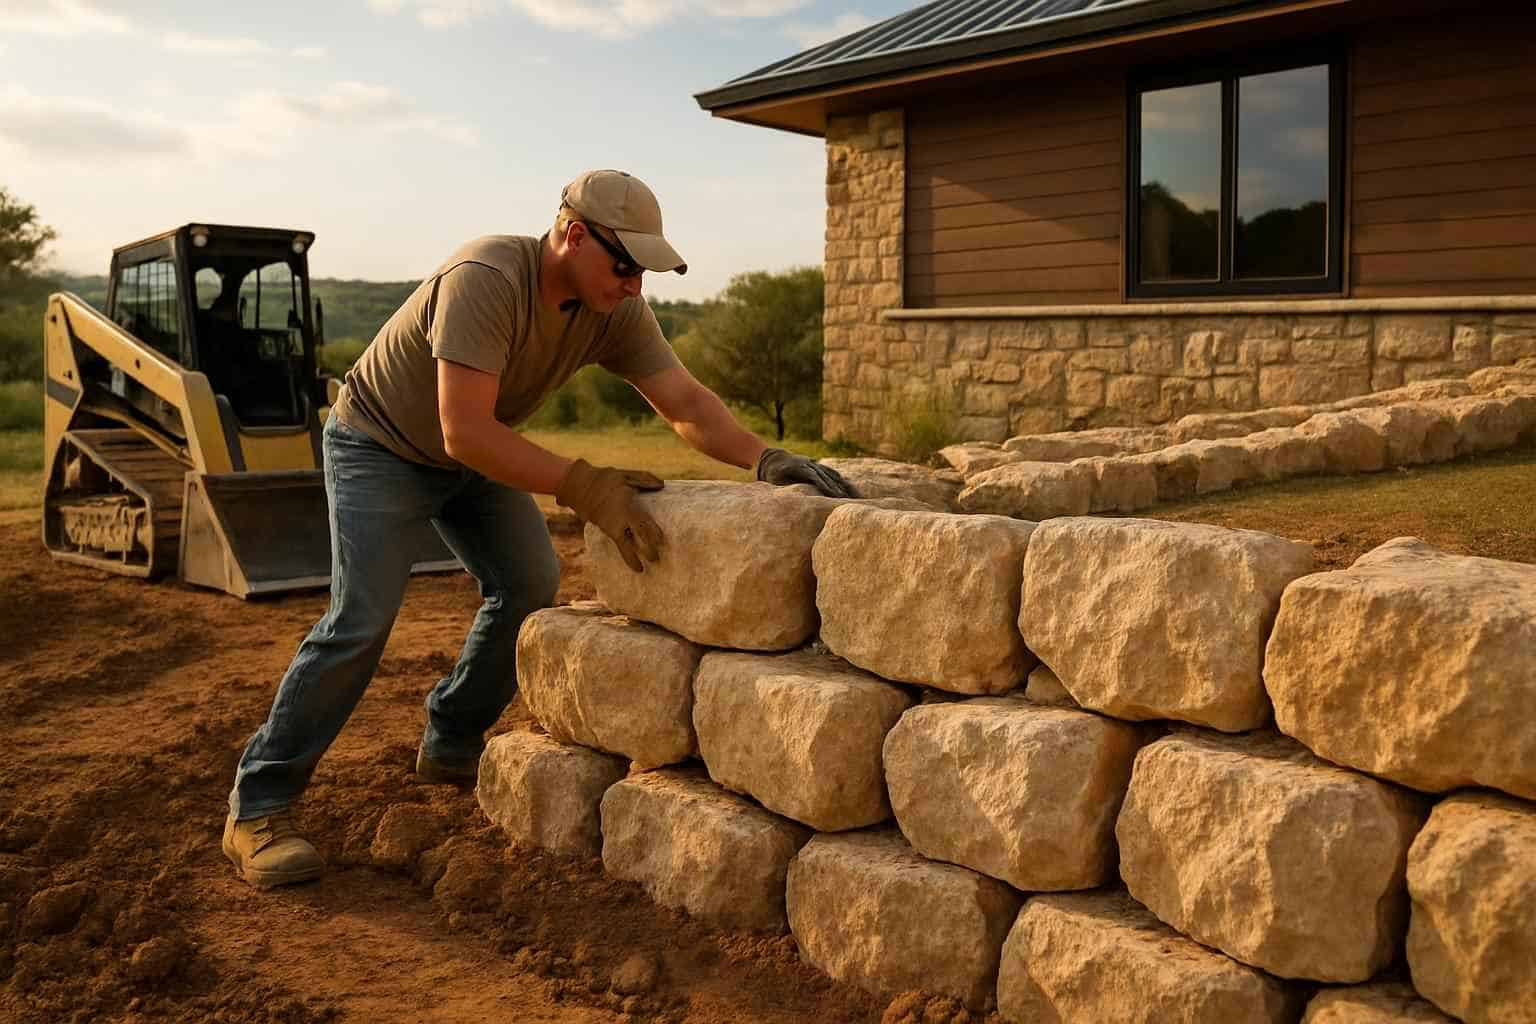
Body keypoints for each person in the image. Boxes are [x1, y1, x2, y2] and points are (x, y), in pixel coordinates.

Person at [222, 169, 856, 888]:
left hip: (478, 450)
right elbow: (463, 431)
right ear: (572, 233)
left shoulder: (613, 309)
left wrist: (765, 458)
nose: (634, 285)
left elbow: (681, 400)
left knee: (529, 582)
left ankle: (452, 739)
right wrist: (584, 486)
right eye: (625, 265)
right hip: (381, 444)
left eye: (645, 271)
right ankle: (260, 807)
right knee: (361, 618)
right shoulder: (486, 276)